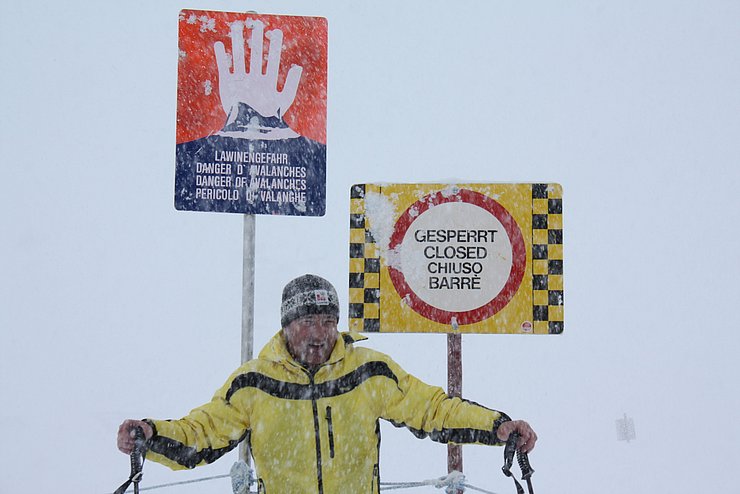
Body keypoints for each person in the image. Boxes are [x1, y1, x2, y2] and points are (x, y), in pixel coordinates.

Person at [118, 274, 537, 493]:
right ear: (286, 326)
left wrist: (496, 426)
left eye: (327, 321)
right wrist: (152, 435)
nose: (318, 333)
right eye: (307, 322)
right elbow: (202, 435)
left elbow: (432, 409)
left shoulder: (367, 372)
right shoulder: (254, 383)